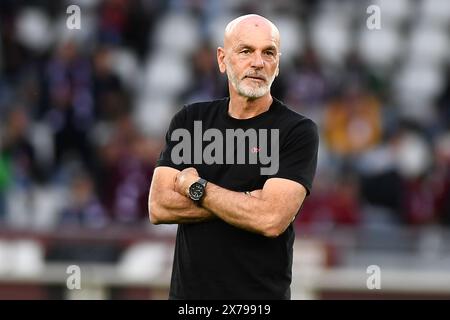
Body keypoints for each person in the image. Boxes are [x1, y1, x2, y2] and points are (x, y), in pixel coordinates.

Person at [148, 14, 319, 299]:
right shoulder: (191, 120)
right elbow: (159, 206)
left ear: (277, 65)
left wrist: (195, 187)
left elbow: (270, 219)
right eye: (245, 51)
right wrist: (249, 201)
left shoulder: (297, 131)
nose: (257, 62)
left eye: (268, 52)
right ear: (222, 59)